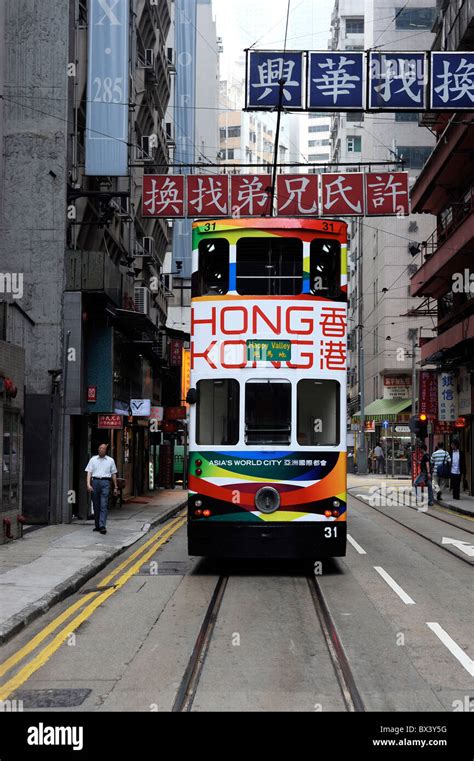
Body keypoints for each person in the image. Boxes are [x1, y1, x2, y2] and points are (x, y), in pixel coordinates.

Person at [85, 443, 119, 534]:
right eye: (100, 448)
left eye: (103, 449)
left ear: (106, 450)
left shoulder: (110, 460)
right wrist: (88, 484)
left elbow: (113, 474)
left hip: (105, 482)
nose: (101, 450)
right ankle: (97, 525)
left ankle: (102, 525)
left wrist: (115, 487)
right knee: (96, 505)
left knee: (103, 504)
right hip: (95, 482)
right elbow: (89, 472)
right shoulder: (93, 459)